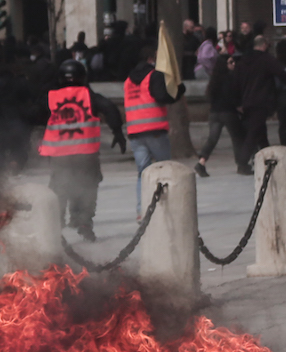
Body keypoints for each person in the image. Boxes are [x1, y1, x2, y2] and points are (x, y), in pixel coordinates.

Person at [38, 59, 125, 241]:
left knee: (59, 189)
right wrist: (117, 131)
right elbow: (110, 108)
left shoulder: (51, 97)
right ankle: (84, 224)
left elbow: (33, 114)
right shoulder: (89, 96)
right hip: (86, 154)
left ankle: (56, 224)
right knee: (88, 187)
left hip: (59, 156)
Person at [124, 43, 185, 212]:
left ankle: (141, 210)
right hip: (155, 129)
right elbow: (162, 96)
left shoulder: (128, 80)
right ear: (151, 58)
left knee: (142, 172)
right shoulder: (154, 75)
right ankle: (168, 209)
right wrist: (178, 90)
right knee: (164, 168)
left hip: (135, 132)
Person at [231, 35, 286, 175]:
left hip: (247, 101)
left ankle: (267, 159)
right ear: (264, 45)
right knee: (254, 132)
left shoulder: (242, 61)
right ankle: (242, 162)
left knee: (260, 133)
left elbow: (235, 83)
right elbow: (281, 73)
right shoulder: (266, 60)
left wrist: (237, 102)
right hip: (261, 101)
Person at [195, 54, 245, 178]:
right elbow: (233, 97)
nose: (233, 64)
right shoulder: (230, 78)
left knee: (212, 139)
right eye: (230, 62)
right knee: (237, 138)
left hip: (214, 113)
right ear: (225, 65)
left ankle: (201, 162)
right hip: (228, 112)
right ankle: (241, 164)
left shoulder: (214, 80)